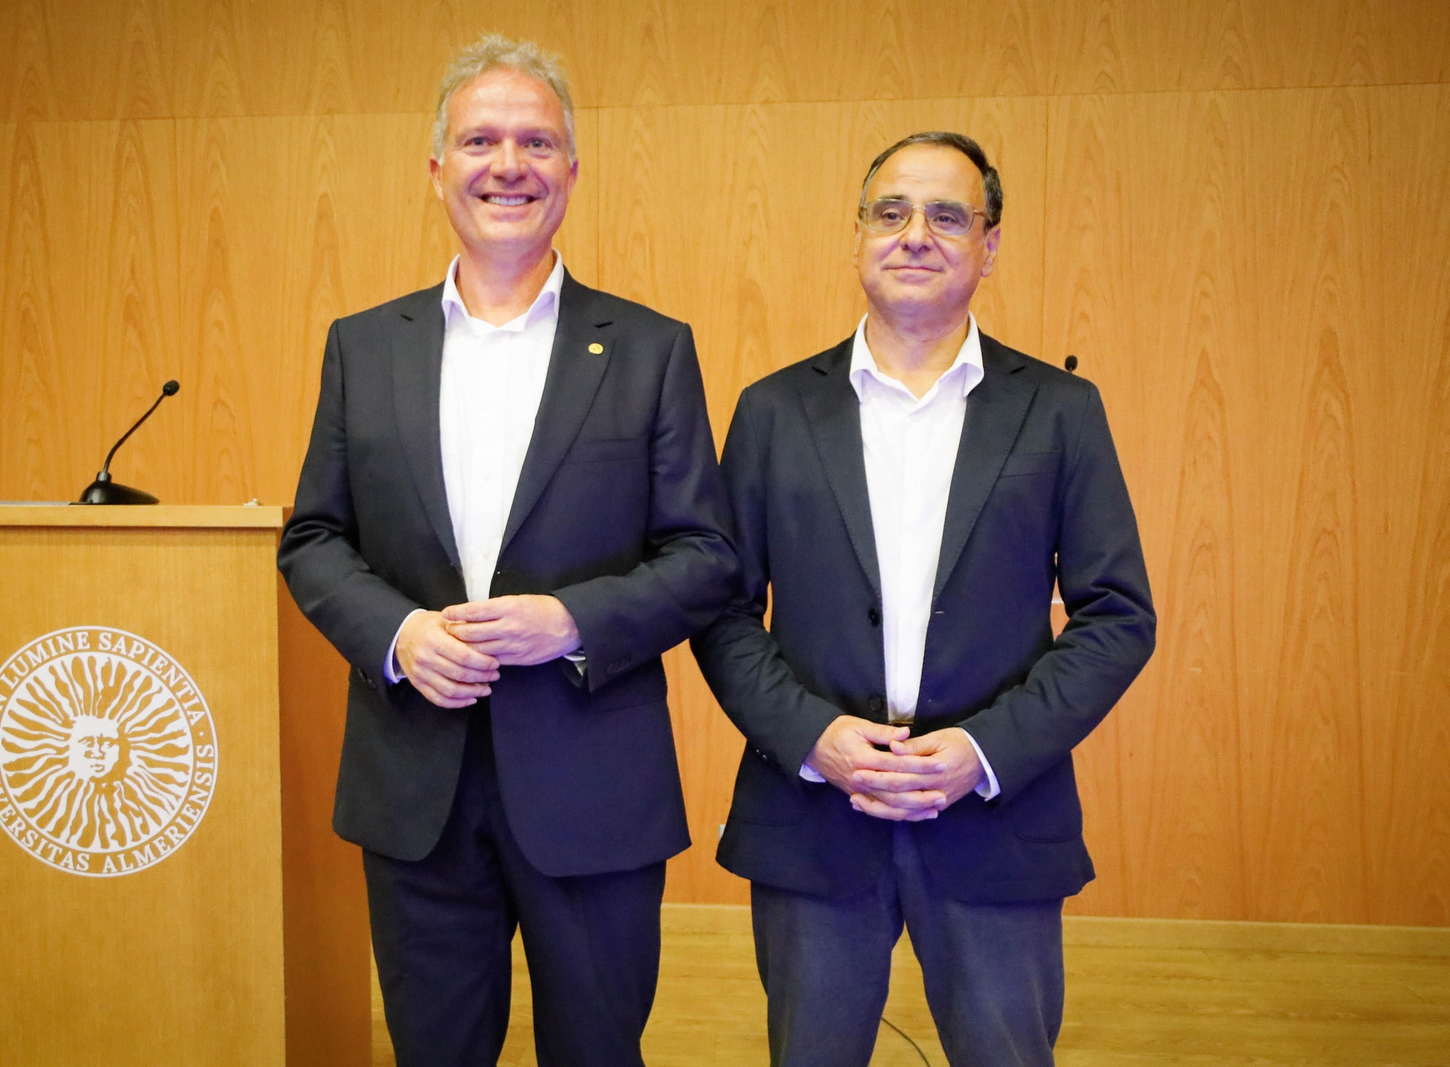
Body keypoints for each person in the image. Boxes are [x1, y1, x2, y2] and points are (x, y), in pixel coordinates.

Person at [277, 34, 737, 1067]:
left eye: (537, 141)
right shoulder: (364, 345)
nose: (509, 165)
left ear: (571, 169)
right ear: (437, 167)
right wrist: (394, 630)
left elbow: (706, 554)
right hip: (413, 791)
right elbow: (313, 536)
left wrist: (572, 619)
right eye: (480, 139)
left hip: (593, 787)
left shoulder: (650, 347)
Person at [692, 131, 1156, 1067]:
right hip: (813, 821)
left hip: (995, 821)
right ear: (857, 235)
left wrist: (985, 749)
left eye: (949, 215)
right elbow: (721, 608)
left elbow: (1117, 615)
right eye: (891, 212)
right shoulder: (773, 410)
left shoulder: (1060, 411)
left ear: (989, 245)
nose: (916, 234)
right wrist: (813, 738)